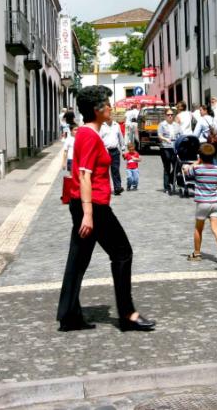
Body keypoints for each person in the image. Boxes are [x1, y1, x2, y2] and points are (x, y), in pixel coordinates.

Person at [57, 85, 155, 332]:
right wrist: (88, 214)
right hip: (95, 206)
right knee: (122, 253)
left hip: (84, 204)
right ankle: (127, 315)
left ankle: (69, 315)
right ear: (96, 110)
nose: (111, 108)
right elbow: (84, 175)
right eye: (107, 104)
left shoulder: (85, 134)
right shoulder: (89, 135)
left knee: (78, 259)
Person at [182, 143, 217, 266]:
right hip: (214, 202)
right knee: (216, 228)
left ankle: (197, 253)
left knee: (198, 228)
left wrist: (195, 163)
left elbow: (186, 172)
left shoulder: (197, 169)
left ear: (200, 156)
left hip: (202, 202)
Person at [100, 115, 126, 196]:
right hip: (104, 151)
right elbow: (99, 139)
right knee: (104, 171)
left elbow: (120, 138)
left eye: (111, 116)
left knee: (115, 170)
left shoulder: (116, 125)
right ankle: (104, 188)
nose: (109, 117)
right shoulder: (101, 126)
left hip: (115, 151)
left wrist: (123, 150)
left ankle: (117, 187)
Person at [158, 109, 181, 194]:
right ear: (165, 116)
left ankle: (171, 180)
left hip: (175, 148)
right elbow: (159, 135)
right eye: (168, 115)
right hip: (165, 147)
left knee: (177, 166)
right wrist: (165, 139)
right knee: (167, 167)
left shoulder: (176, 125)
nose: (170, 116)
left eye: (171, 114)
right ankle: (167, 187)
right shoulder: (162, 124)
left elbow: (180, 134)